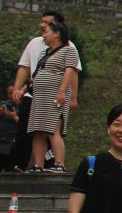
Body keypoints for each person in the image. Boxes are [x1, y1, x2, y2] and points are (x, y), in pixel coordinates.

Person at [11, 10, 81, 170]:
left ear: (57, 33)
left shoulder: (69, 49)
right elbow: (35, 74)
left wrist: (63, 92)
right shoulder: (44, 52)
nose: (44, 35)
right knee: (37, 130)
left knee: (52, 129)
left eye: (47, 31)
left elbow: (70, 72)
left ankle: (59, 163)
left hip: (54, 94)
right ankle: (38, 164)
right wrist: (23, 89)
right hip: (38, 96)